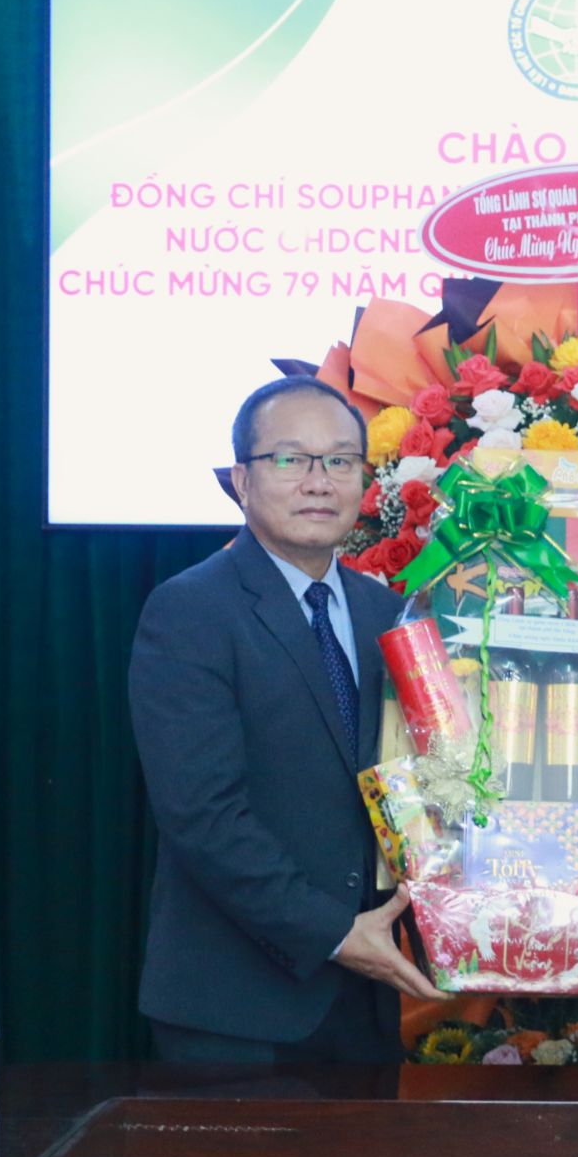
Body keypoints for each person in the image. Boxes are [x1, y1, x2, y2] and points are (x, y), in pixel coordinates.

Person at [130, 375, 448, 1065]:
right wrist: (335, 934)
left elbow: (422, 781)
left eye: (339, 461)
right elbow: (204, 816)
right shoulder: (190, 611)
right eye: (290, 459)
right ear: (241, 480)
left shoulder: (385, 614)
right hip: (236, 1008)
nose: (318, 481)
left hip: (365, 1003)